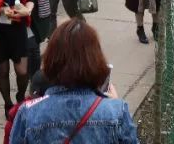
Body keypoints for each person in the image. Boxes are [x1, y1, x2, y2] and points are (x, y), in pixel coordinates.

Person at [8, 20, 138, 144]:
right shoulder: (116, 112)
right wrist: (113, 103)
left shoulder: (28, 113)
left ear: (51, 58)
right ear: (95, 59)